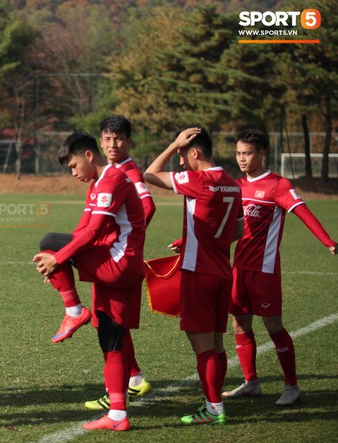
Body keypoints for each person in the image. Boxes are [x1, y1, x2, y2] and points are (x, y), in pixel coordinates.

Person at [34, 131, 146, 431]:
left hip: (118, 264)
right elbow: (83, 227)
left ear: (87, 155)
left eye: (73, 166)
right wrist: (58, 264)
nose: (73, 173)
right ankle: (118, 414)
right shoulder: (98, 183)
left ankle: (73, 311)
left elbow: (93, 232)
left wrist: (58, 257)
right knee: (112, 337)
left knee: (49, 240)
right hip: (123, 267)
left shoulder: (113, 180)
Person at [223, 129, 337, 406]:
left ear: (261, 153)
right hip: (239, 269)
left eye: (247, 153)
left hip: (264, 270)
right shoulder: (236, 185)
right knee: (239, 324)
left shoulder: (278, 185)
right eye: (238, 153)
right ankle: (251, 382)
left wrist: (329, 242)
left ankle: (292, 386)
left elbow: (303, 212)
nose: (242, 159)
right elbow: (220, 221)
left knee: (273, 326)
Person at [144, 127, 243, 426]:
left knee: (203, 346)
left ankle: (213, 408)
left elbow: (149, 173)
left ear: (195, 152)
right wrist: (203, 239)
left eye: (183, 155)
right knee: (217, 343)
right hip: (222, 272)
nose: (181, 162)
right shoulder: (232, 184)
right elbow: (237, 230)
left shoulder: (200, 179)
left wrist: (173, 142)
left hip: (198, 273)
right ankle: (214, 400)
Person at [84, 115, 155, 411]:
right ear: (101, 142)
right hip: (109, 253)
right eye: (108, 139)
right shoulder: (111, 171)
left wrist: (128, 238)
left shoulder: (128, 171)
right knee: (108, 319)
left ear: (129, 141)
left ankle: (122, 387)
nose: (113, 144)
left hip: (116, 256)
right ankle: (134, 378)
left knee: (110, 321)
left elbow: (148, 206)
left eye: (119, 139)